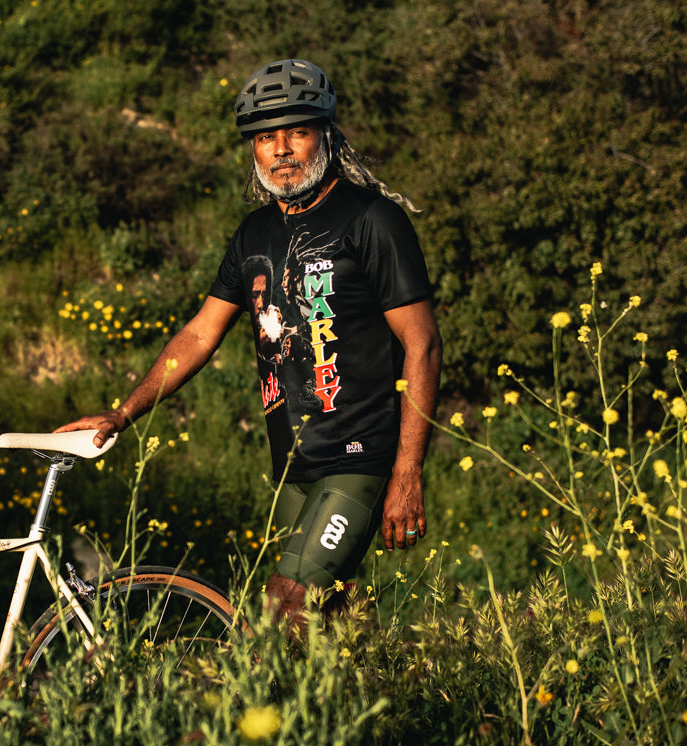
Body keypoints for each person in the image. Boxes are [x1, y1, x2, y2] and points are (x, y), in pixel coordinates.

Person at [56, 58, 442, 630]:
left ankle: (286, 715)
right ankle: (373, 713)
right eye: (267, 137)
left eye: (298, 132)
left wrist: (407, 472)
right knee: (327, 624)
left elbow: (424, 345)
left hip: (361, 457)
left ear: (327, 137)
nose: (282, 149)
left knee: (285, 604)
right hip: (294, 464)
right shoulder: (253, 234)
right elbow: (199, 333)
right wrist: (123, 412)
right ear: (253, 151)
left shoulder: (371, 220)